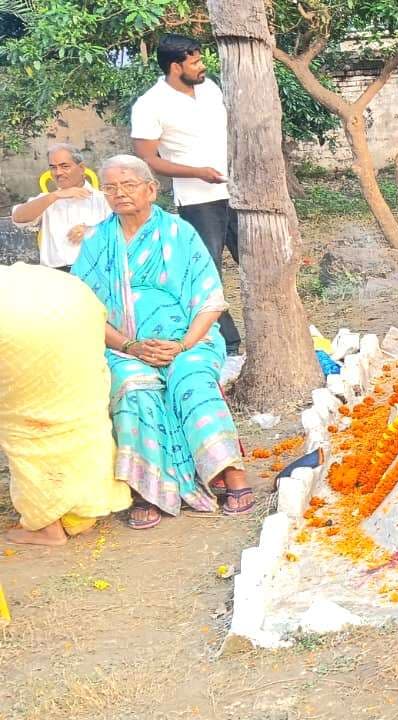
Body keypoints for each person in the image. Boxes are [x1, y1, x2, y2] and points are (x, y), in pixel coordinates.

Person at [71, 155, 252, 529]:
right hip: (123, 347)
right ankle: (148, 488)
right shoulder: (97, 241)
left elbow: (209, 299)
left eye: (128, 184)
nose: (119, 193)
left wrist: (184, 345)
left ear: (151, 189)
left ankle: (229, 470)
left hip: (189, 342)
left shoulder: (179, 233)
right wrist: (129, 346)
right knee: (133, 387)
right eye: (110, 187)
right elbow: (86, 308)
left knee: (191, 379)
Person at [0, 263, 131, 545]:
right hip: (74, 302)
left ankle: (47, 527)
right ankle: (82, 510)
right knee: (79, 414)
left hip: (21, 321)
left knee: (30, 423)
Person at [130, 33, 240, 356]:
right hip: (198, 199)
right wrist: (198, 172)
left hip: (237, 190)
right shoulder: (150, 105)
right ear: (176, 67)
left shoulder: (210, 88)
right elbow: (148, 159)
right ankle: (227, 342)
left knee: (256, 258)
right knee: (209, 271)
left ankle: (270, 328)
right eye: (195, 62)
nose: (202, 66)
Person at [9, 143, 110, 271]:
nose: (58, 173)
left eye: (65, 166)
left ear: (82, 168)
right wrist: (55, 195)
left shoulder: (102, 199)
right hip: (55, 274)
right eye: (53, 168)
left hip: (96, 272)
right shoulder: (47, 199)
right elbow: (18, 217)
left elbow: (122, 232)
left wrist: (91, 231)